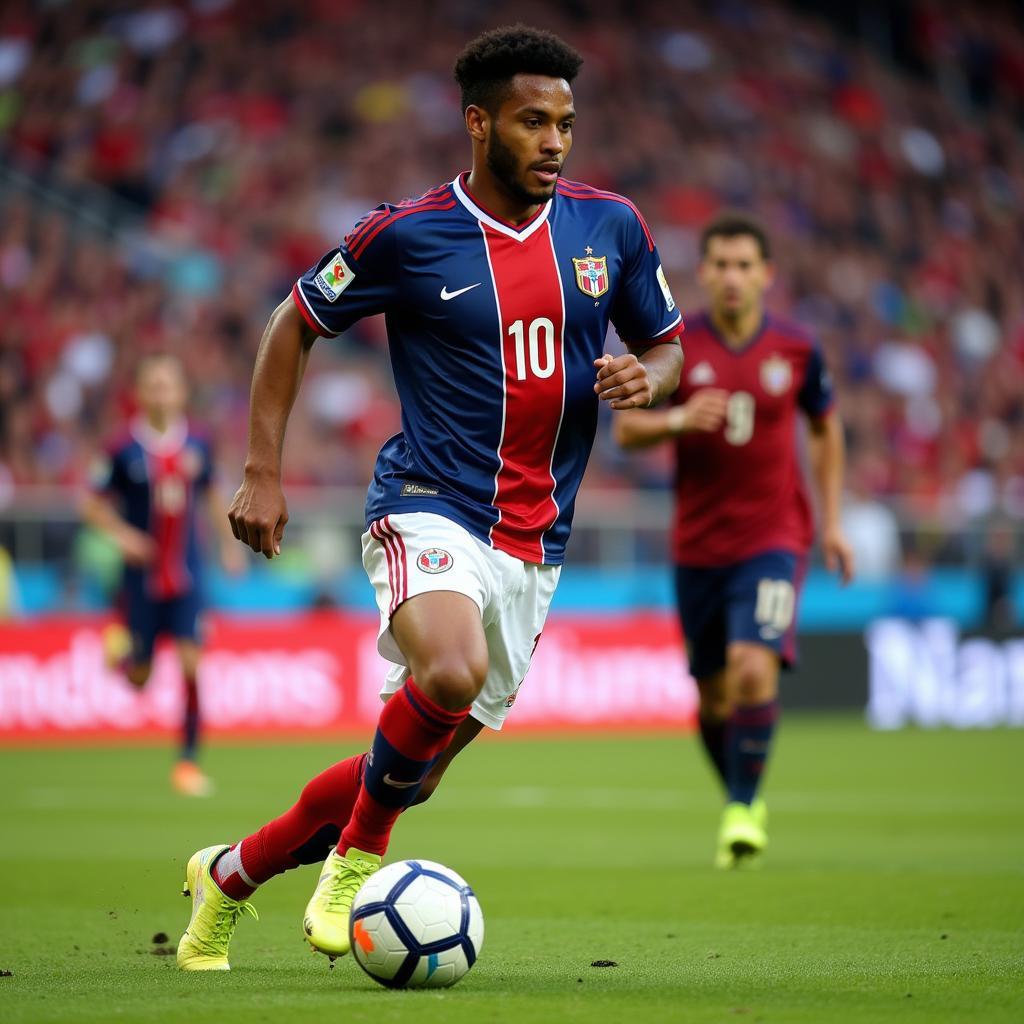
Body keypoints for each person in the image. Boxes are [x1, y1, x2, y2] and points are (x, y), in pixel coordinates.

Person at [176, 25, 683, 971]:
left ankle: (231, 876)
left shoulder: (609, 225)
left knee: (407, 774)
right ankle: (358, 863)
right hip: (425, 499)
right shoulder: (405, 233)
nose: (556, 141)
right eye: (535, 121)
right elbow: (295, 322)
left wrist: (650, 375)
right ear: (478, 122)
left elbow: (668, 341)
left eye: (567, 123)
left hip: (537, 537)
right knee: (446, 675)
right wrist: (262, 469)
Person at [614, 212, 854, 869]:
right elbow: (626, 432)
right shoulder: (677, 345)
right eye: (720, 264)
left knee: (754, 669)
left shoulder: (798, 349)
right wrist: (681, 419)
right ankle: (739, 797)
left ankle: (743, 809)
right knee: (714, 697)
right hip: (698, 546)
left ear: (766, 275)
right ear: (704, 272)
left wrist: (831, 521)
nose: (732, 277)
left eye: (745, 265)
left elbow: (827, 429)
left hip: (776, 538)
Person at [82, 353, 244, 796]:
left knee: (193, 665)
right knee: (140, 677)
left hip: (187, 574)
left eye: (167, 385)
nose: (160, 393)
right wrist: (124, 537)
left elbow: (212, 495)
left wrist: (229, 547)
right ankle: (120, 654)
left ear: (181, 393)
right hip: (141, 581)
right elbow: (91, 503)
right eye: (152, 385)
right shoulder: (120, 449)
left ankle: (188, 763)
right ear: (138, 393)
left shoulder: (198, 443)